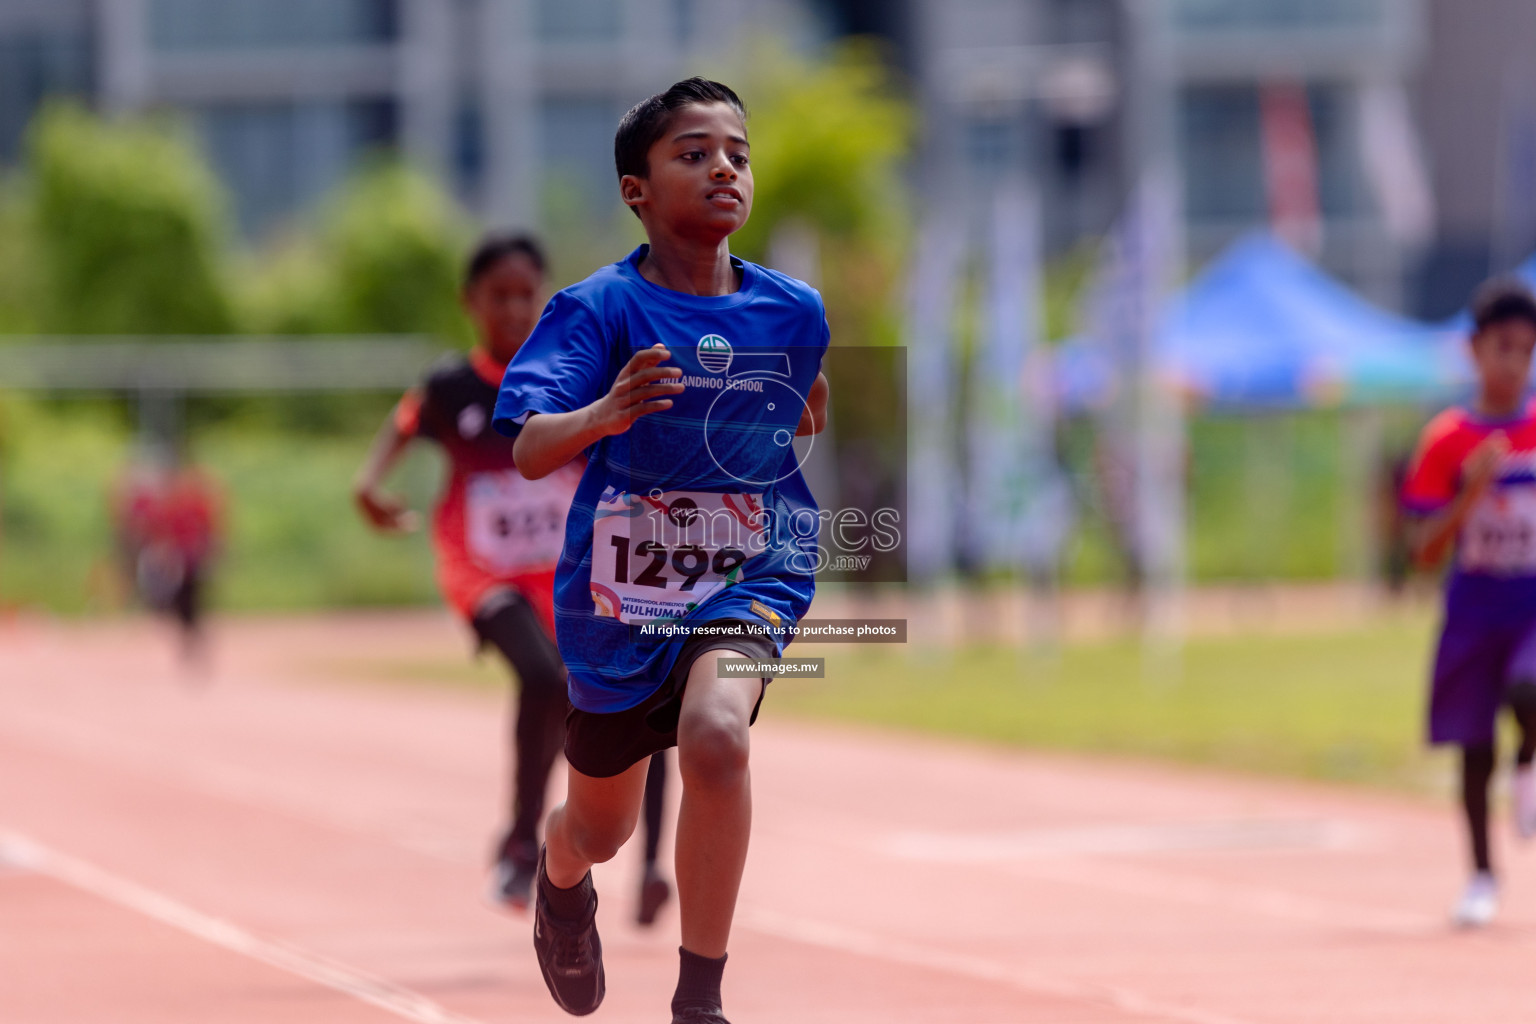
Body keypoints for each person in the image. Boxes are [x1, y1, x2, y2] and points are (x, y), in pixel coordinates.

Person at [492, 78, 830, 1023]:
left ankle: (700, 1000)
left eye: (737, 153)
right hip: (618, 603)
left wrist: (787, 419)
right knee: (601, 829)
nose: (723, 167)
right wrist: (608, 412)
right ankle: (562, 885)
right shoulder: (596, 309)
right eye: (693, 153)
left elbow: (805, 406)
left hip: (755, 572)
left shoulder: (794, 311)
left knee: (717, 738)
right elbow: (527, 446)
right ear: (637, 189)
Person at [353, 232, 673, 920]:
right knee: (542, 678)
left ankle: (651, 867)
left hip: (575, 571)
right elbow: (404, 423)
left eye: (526, 294)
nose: (513, 308)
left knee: (643, 692)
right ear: (471, 302)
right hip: (482, 570)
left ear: (545, 297)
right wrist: (370, 483)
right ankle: (522, 843)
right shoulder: (450, 387)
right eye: (498, 296)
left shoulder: (575, 373)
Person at [1403, 278, 1536, 927]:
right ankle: (1482, 874)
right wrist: (1470, 491)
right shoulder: (1447, 439)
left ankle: (1530, 765)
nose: (1514, 364)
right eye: (1502, 348)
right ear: (1475, 350)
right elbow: (1422, 548)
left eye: (1526, 351)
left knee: (1531, 686)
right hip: (1474, 608)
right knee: (1471, 746)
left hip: (1532, 602)